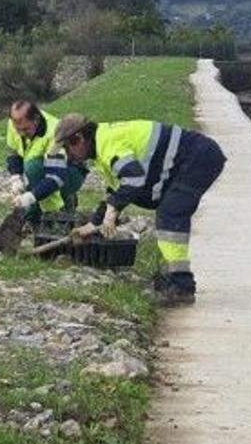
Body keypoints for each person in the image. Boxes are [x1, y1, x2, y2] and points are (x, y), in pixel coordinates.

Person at [52, 113, 227, 305]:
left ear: (79, 139)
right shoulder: (102, 144)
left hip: (199, 158)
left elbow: (134, 180)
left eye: (67, 149)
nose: (68, 157)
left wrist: (114, 209)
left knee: (170, 214)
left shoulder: (108, 145)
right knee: (168, 210)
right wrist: (94, 224)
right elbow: (118, 188)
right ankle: (176, 278)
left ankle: (182, 286)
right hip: (191, 158)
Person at [5, 101, 87, 222]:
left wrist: (31, 197)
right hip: (43, 172)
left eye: (26, 129)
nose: (22, 134)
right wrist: (16, 177)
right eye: (18, 130)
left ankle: (58, 213)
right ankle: (34, 216)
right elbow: (14, 153)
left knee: (32, 168)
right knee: (31, 170)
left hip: (71, 173)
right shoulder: (14, 124)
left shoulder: (54, 132)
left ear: (36, 120)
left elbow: (56, 177)